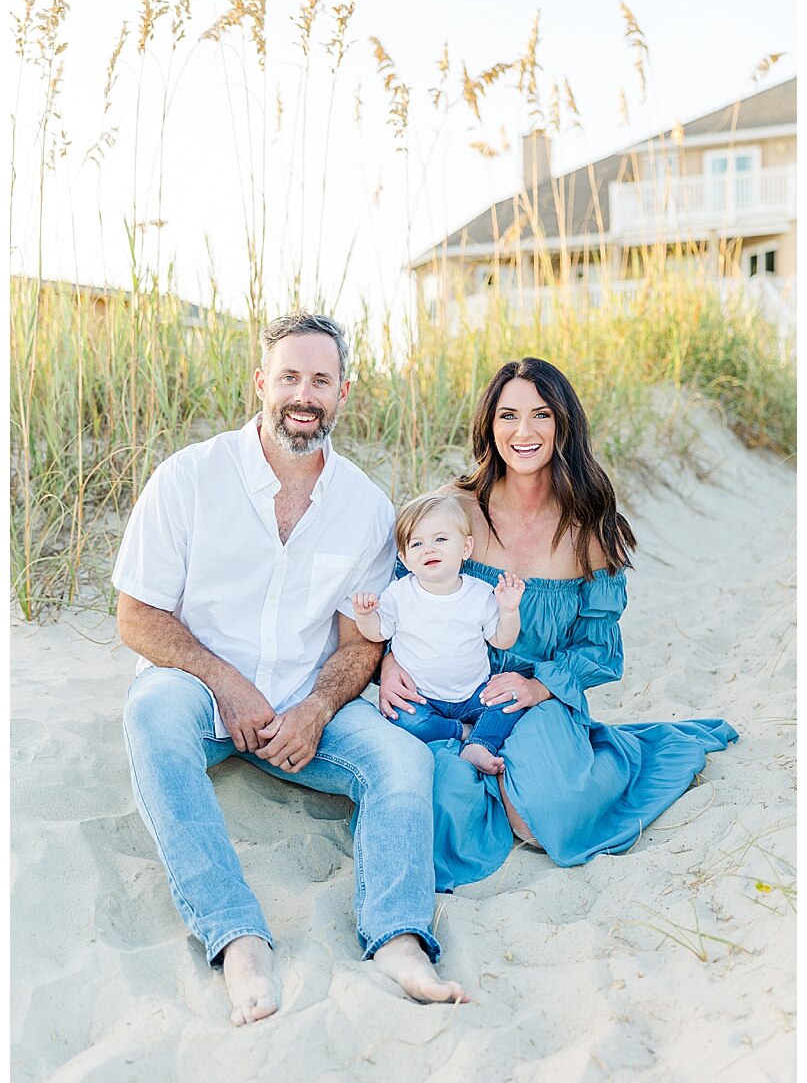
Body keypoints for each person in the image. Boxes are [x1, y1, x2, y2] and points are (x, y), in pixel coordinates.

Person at [113, 311, 468, 1025]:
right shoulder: (189, 478)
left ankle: (396, 937)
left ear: (343, 391)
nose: (302, 394)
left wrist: (316, 708)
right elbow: (137, 615)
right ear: (261, 383)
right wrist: (226, 683)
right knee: (149, 714)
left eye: (320, 379)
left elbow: (358, 642)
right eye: (288, 377)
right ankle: (236, 936)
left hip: (306, 708)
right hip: (201, 690)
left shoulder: (365, 508)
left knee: (403, 763)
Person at [379, 358, 739, 891]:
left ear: (563, 424)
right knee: (430, 810)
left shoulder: (590, 525)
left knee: (550, 821)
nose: (523, 432)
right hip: (445, 693)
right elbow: (400, 595)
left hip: (537, 695)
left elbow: (599, 647)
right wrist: (388, 661)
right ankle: (488, 769)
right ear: (489, 425)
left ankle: (562, 767)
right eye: (508, 415)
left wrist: (536, 685)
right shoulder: (453, 511)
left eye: (540, 415)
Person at [352, 491, 526, 775]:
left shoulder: (479, 594)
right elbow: (378, 632)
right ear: (405, 559)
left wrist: (508, 611)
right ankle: (464, 733)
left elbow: (502, 640)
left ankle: (479, 744)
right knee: (403, 718)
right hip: (422, 696)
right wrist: (365, 615)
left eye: (441, 539)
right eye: (417, 543)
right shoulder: (399, 594)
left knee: (508, 702)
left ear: (466, 548)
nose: (429, 549)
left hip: (474, 693)